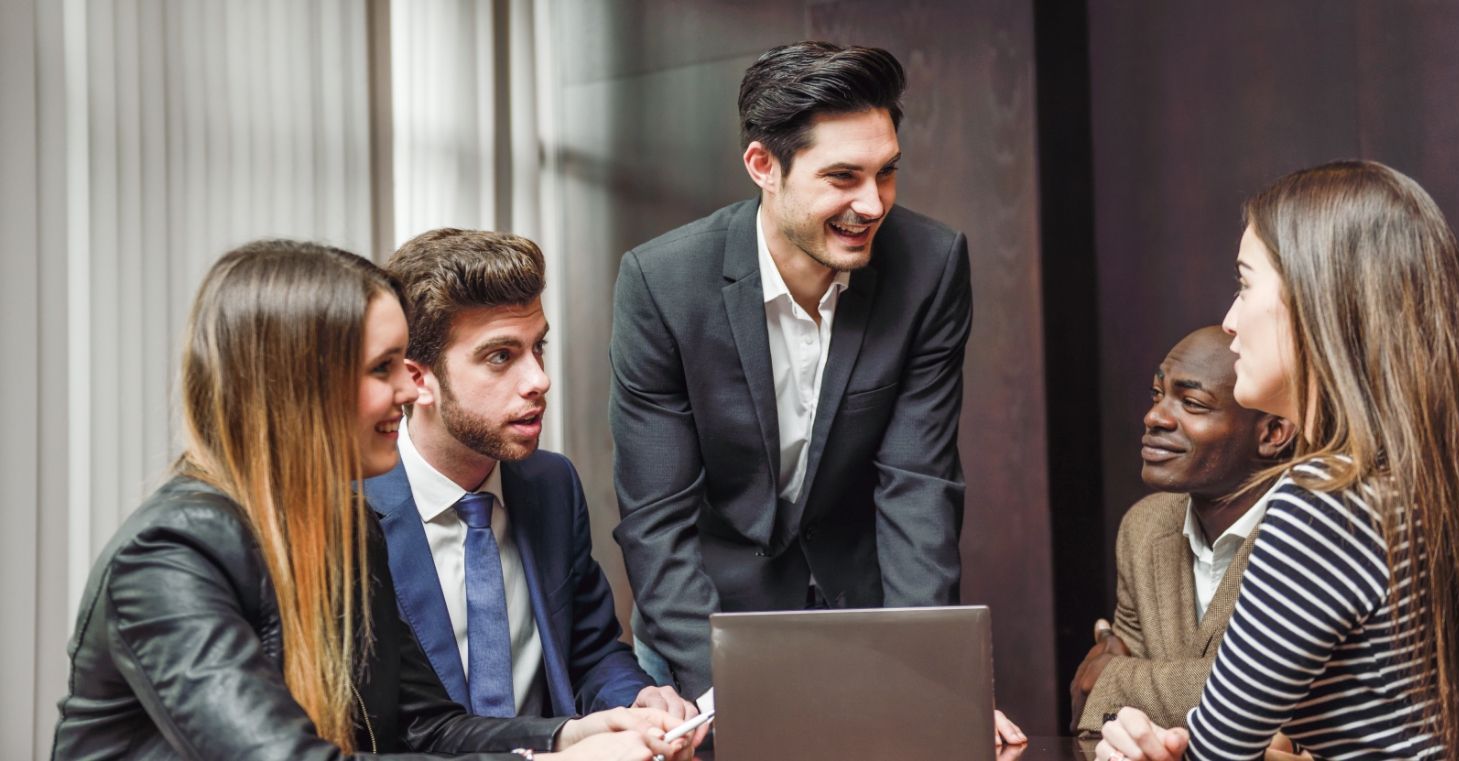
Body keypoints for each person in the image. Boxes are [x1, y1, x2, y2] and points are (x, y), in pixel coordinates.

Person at [52, 241, 700, 760]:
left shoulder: (346, 529)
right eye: (382, 369)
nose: (407, 390)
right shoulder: (169, 555)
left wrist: (570, 735)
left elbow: (425, 728)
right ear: (298, 386)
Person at [1096, 161, 1459, 760]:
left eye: (1245, 285)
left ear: (1316, 305)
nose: (1229, 320)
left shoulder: (1327, 500)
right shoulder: (1428, 477)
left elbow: (1218, 751)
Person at [610, 40, 1021, 744]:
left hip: (862, 625)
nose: (872, 204)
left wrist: (930, 681)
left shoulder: (930, 266)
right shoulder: (662, 284)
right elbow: (656, 518)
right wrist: (727, 697)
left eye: (887, 173)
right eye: (843, 177)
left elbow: (917, 484)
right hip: (702, 628)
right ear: (763, 166)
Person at [367, 229, 694, 721]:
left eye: (537, 347)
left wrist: (636, 697)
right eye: (500, 356)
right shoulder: (350, 512)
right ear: (419, 380)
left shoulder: (551, 484)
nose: (539, 380)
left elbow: (590, 653)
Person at [1071, 326, 1295, 734]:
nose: (1154, 417)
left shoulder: (1313, 530)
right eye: (1158, 394)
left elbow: (1277, 699)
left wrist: (1117, 679)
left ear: (1272, 434)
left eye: (1191, 403)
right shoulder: (1143, 527)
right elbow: (1101, 722)